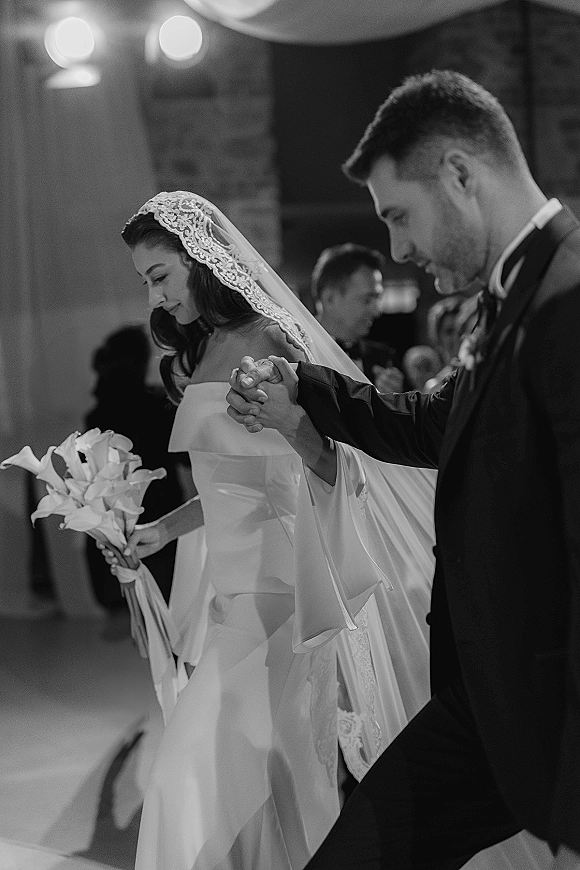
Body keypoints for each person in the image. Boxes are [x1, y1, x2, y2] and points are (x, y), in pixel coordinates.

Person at [226, 69, 580, 869]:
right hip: (489, 700)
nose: (398, 250)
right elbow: (429, 419)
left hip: (544, 711)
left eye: (399, 216)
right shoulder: (509, 297)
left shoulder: (568, 302)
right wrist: (304, 387)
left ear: (460, 175)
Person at [97, 190, 443, 870]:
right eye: (145, 282)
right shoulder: (198, 353)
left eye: (159, 276)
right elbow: (231, 486)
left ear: (200, 260)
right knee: (267, 795)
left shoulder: (272, 340)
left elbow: (334, 466)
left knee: (196, 779)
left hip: (280, 606)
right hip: (230, 602)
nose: (154, 297)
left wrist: (292, 425)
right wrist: (163, 530)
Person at [84, 325, 185, 610]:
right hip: (160, 520)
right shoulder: (159, 406)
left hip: (114, 525)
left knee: (134, 612)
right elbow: (187, 458)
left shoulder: (97, 414)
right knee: (166, 610)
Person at [311, 243, 404, 391]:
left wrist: (391, 400)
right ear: (330, 298)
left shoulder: (383, 358)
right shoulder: (298, 352)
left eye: (377, 299)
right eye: (367, 300)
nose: (377, 311)